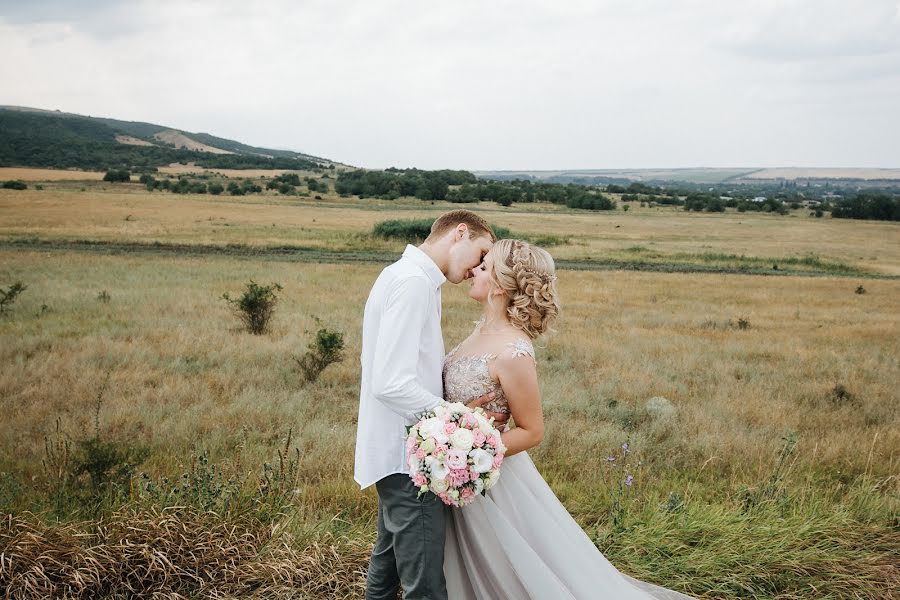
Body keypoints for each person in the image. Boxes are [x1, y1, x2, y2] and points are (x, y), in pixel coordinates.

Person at [442, 238, 695, 600]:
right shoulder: (481, 331)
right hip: (457, 467)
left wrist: (469, 449)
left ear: (499, 284)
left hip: (485, 472)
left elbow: (532, 431)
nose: (473, 271)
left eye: (483, 268)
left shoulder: (513, 350)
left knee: (508, 571)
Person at [355, 210, 509, 600]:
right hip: (408, 459)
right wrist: (460, 421)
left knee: (387, 567)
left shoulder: (411, 278)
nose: (479, 267)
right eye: (481, 252)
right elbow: (390, 383)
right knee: (425, 586)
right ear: (460, 233)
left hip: (400, 451)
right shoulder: (412, 284)